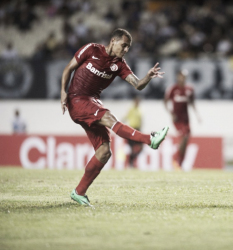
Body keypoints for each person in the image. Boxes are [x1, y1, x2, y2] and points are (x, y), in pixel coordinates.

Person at [61, 28, 169, 207]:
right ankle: (150, 140)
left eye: (128, 47)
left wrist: (148, 77)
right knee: (110, 117)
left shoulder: (119, 64)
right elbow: (68, 68)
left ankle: (79, 192)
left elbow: (138, 85)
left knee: (104, 151)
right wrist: (62, 92)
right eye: (124, 45)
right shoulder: (91, 49)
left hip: (92, 101)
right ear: (113, 41)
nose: (126, 50)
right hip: (77, 99)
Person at [164, 70, 200, 169]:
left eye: (184, 77)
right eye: (181, 76)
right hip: (177, 119)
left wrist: (197, 115)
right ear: (177, 77)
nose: (182, 78)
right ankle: (176, 159)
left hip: (186, 119)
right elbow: (165, 102)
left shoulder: (189, 89)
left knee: (186, 139)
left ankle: (180, 163)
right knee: (184, 137)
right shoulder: (173, 89)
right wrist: (171, 113)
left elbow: (192, 103)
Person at [123, 96, 143, 168]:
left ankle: (131, 159)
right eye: (136, 101)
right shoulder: (131, 109)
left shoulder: (140, 110)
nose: (137, 102)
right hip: (132, 130)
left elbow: (140, 121)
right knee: (131, 147)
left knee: (141, 147)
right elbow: (125, 117)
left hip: (138, 130)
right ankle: (130, 162)